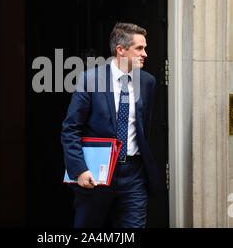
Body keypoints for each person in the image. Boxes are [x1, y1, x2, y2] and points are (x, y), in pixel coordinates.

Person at [61, 22, 161, 228]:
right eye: (139, 48)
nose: (145, 54)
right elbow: (71, 129)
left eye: (145, 48)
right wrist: (79, 170)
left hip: (134, 174)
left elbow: (144, 127)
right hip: (97, 174)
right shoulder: (90, 79)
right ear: (121, 50)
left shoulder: (147, 82)